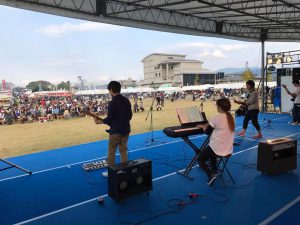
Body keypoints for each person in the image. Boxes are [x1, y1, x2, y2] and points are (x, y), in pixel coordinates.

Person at [94, 81, 132, 177]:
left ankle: (111, 173)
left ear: (111, 90)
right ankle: (124, 170)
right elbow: (129, 116)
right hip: (126, 129)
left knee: (111, 152)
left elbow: (109, 118)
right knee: (123, 150)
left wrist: (101, 121)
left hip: (115, 131)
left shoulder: (113, 102)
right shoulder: (126, 100)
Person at [197, 98, 235, 186]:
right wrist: (208, 125)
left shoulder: (216, 117)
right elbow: (220, 126)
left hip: (217, 148)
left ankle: (210, 175)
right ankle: (214, 169)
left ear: (220, 107)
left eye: (217, 105)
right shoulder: (231, 117)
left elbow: (207, 132)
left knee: (200, 159)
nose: (216, 107)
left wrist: (203, 126)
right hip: (228, 149)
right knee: (211, 151)